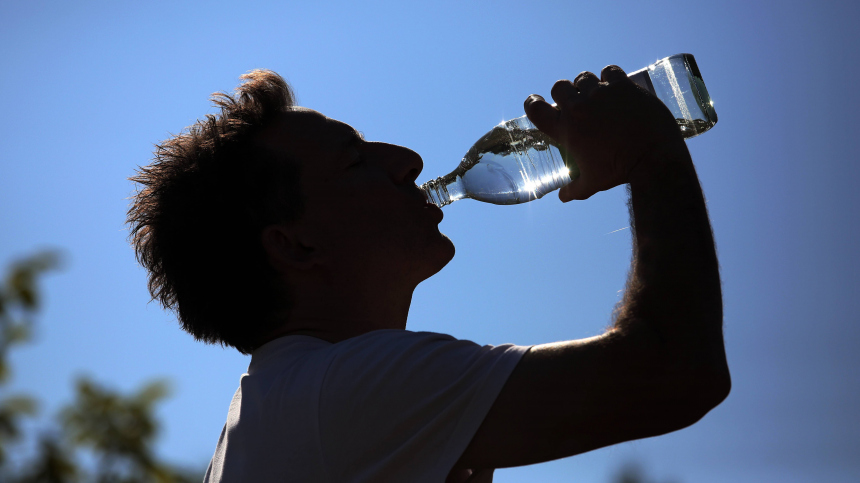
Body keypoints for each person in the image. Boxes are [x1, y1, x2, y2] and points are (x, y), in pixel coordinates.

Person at [127, 65, 731, 482]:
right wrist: (652, 156)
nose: (409, 161)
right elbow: (675, 372)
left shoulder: (284, 406)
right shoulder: (342, 390)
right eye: (354, 160)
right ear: (295, 244)